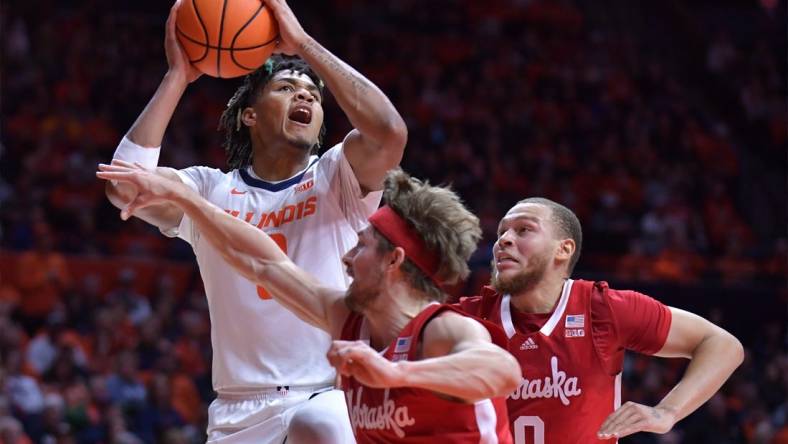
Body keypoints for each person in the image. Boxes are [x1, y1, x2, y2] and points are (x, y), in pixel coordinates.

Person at [103, 0, 408, 441]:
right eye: (286, 87)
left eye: (313, 93)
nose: (304, 94)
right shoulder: (209, 189)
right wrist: (178, 77)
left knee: (321, 425)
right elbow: (123, 186)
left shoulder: (337, 175)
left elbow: (389, 134)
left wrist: (302, 44)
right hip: (236, 408)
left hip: (328, 392)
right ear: (249, 115)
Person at [97, 164, 521, 443]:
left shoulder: (441, 328)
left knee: (315, 420)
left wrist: (395, 372)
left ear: (394, 260)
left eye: (361, 247)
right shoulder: (348, 319)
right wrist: (186, 199)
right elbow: (261, 262)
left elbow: (503, 371)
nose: (346, 258)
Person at [458, 197, 744, 443]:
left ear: (564, 249)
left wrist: (668, 411)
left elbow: (722, 344)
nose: (503, 240)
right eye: (501, 232)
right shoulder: (469, 319)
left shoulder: (601, 308)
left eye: (523, 230)